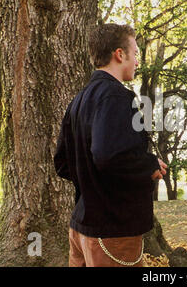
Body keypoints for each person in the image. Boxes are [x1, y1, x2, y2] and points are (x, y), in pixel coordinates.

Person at [54, 23, 167, 267]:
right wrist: (148, 165)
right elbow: (109, 156)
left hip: (80, 229)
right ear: (119, 54)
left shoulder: (79, 100)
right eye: (134, 54)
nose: (137, 61)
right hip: (112, 231)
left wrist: (91, 182)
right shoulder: (115, 96)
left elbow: (63, 163)